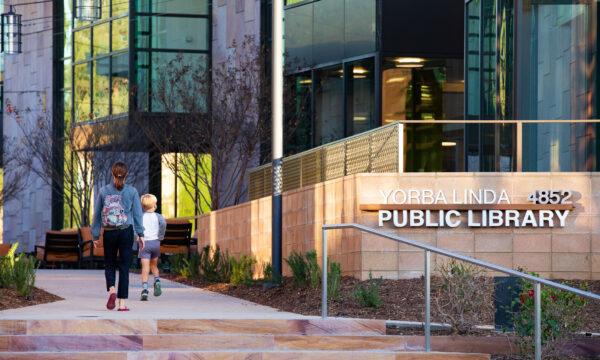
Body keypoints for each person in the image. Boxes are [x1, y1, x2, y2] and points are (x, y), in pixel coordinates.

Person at [92, 162, 145, 311]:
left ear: (112, 174)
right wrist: (140, 234)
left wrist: (96, 235)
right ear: (126, 174)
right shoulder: (132, 191)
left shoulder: (103, 191)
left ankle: (112, 291)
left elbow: (96, 215)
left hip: (109, 232)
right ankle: (122, 304)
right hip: (126, 231)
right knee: (124, 266)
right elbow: (137, 215)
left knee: (109, 263)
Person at [138, 194, 166, 301]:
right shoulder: (158, 216)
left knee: (145, 268)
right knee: (154, 265)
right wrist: (161, 236)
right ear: (154, 205)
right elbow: (163, 223)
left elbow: (136, 227)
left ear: (143, 206)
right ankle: (157, 280)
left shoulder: (141, 217)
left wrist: (137, 237)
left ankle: (145, 290)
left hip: (144, 244)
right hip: (155, 243)